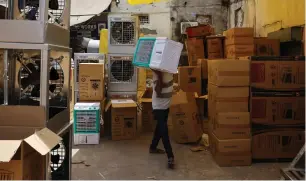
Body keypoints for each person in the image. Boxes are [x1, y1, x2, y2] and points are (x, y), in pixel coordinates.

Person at [149, 69, 175, 169]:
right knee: (164, 130)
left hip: (166, 102)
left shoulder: (169, 63)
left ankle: (153, 147)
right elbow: (158, 90)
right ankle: (170, 156)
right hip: (158, 105)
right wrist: (160, 76)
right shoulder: (156, 65)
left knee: (160, 127)